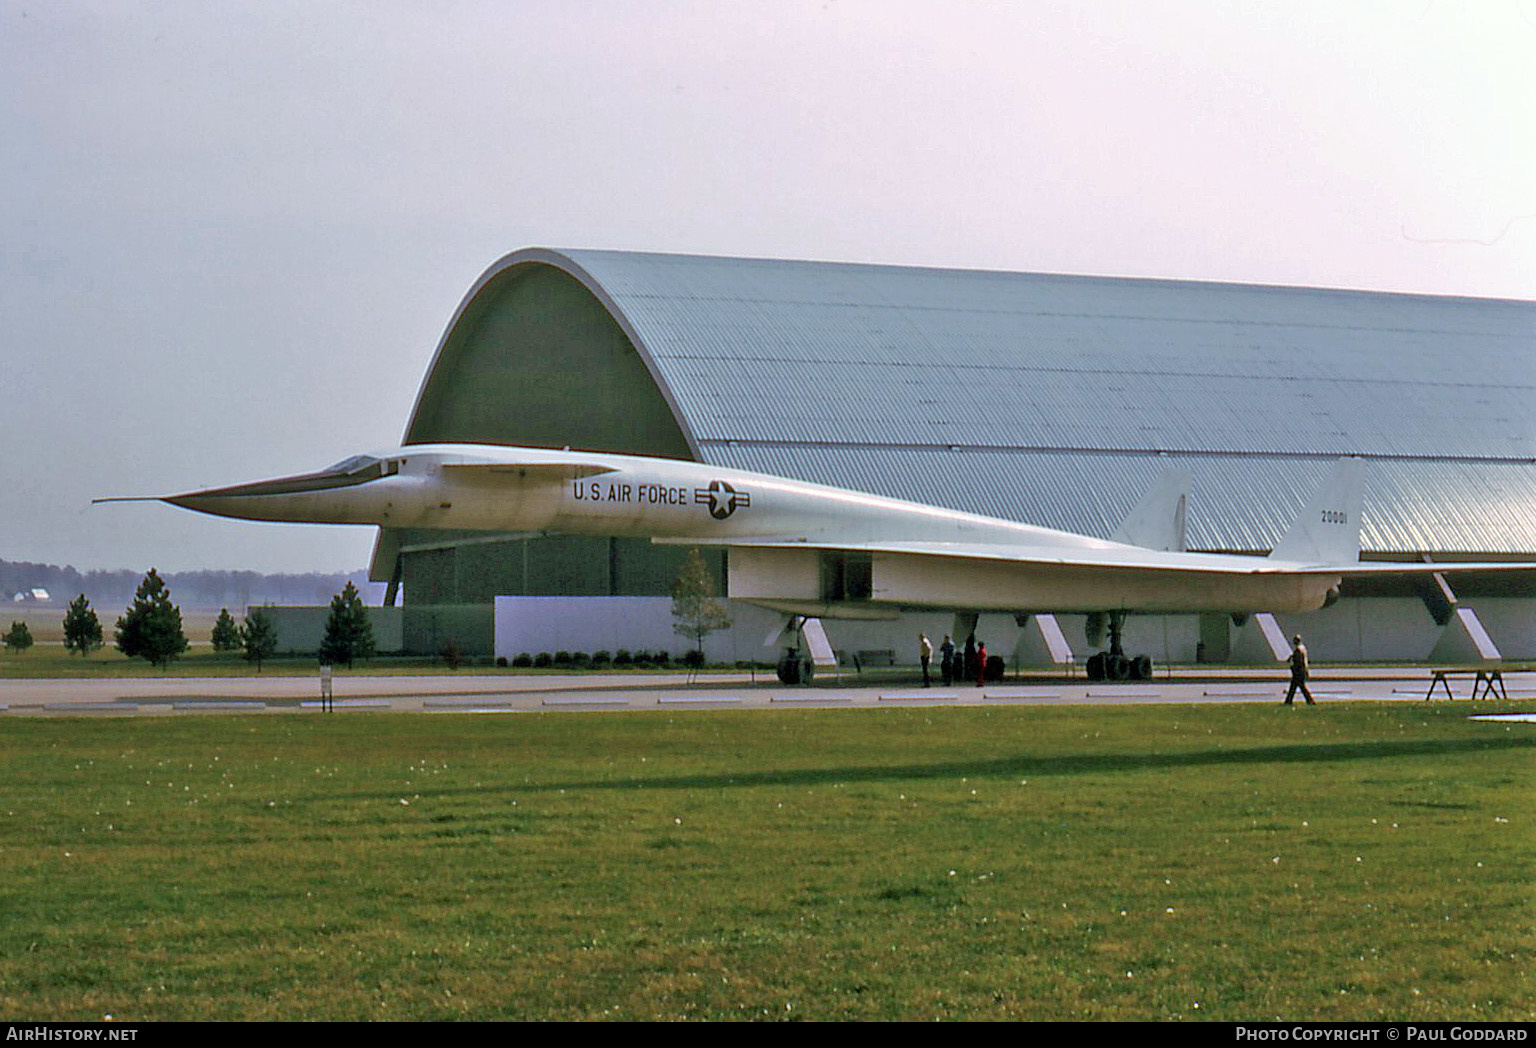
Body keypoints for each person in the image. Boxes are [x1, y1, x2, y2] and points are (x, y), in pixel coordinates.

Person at [1285, 634, 1315, 705]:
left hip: (1298, 671)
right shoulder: (1302, 648)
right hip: (1301, 670)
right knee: (1294, 686)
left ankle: (1310, 700)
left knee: (1299, 687)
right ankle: (1289, 701)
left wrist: (1293, 666)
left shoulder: (1298, 649)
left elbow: (1298, 660)